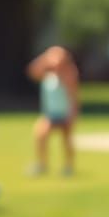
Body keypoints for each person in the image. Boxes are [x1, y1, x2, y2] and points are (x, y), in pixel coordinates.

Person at [26, 45, 80, 176]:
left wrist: (72, 114)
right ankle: (42, 164)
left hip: (64, 113)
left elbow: (73, 96)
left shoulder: (68, 74)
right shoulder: (47, 74)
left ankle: (69, 166)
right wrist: (44, 58)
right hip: (49, 114)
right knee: (40, 135)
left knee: (67, 140)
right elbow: (32, 71)